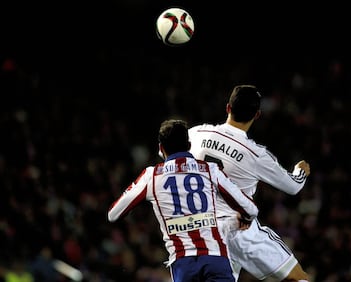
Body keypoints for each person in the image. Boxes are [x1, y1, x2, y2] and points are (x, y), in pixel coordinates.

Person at [107, 119, 259, 282]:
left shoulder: (151, 176)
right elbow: (250, 209)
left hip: (183, 265)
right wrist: (245, 218)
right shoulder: (210, 170)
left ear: (161, 148)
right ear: (188, 145)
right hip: (215, 258)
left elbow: (113, 214)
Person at [188, 85, 311, 282]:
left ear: (228, 108)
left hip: (202, 232)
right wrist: (300, 171)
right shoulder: (255, 154)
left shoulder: (196, 134)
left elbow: (167, 153)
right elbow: (293, 186)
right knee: (298, 279)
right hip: (241, 234)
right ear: (257, 115)